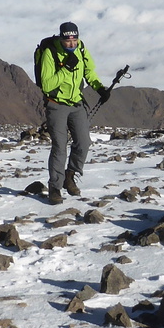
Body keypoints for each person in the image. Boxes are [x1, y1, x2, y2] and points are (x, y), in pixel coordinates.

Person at [36, 22, 107, 204]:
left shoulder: (81, 49)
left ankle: (70, 175)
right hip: (56, 105)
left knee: (83, 142)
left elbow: (89, 72)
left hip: (76, 103)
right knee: (60, 147)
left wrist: (100, 89)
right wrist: (66, 68)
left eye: (75, 40)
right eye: (68, 41)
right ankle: (55, 188)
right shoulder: (50, 54)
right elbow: (47, 84)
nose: (72, 44)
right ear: (61, 38)